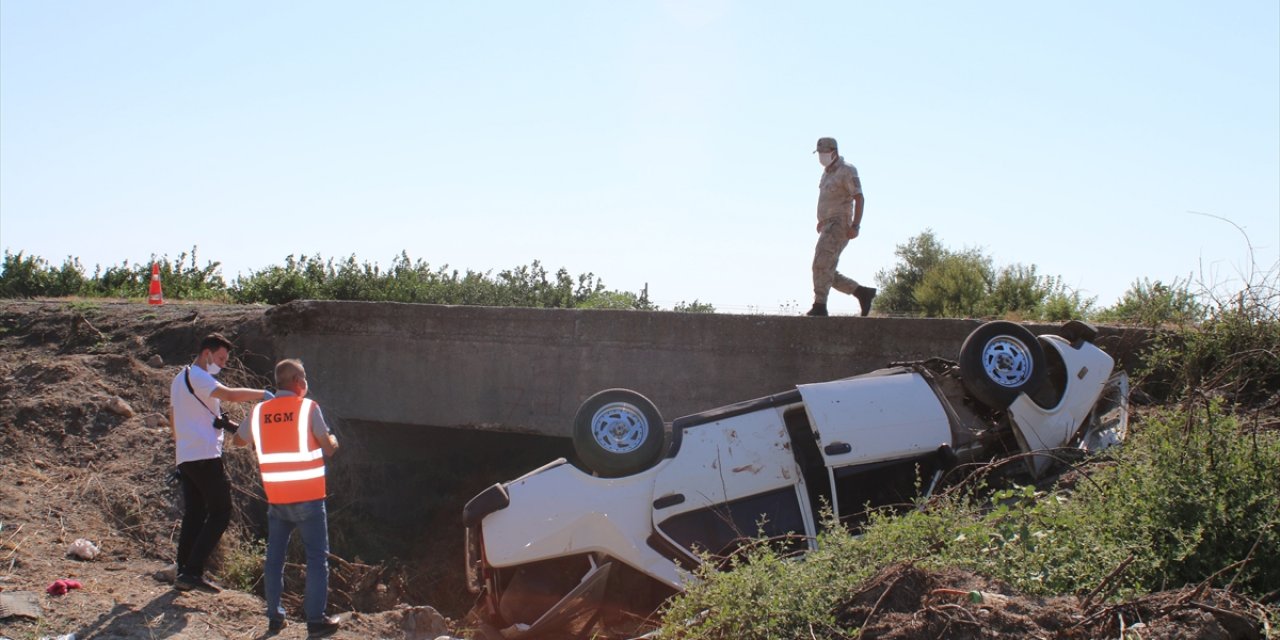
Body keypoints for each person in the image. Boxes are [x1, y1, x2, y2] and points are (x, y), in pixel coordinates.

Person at [242, 358, 342, 638]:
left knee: (274, 559)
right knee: (316, 559)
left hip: (277, 498)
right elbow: (328, 447)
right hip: (308, 498)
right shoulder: (308, 408)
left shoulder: (260, 410)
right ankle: (315, 621)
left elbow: (239, 439)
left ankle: (275, 617)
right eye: (304, 377)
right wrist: (333, 440)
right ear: (298, 382)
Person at [169, 333, 273, 593]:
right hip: (204, 455)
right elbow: (229, 395)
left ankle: (183, 571)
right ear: (206, 354)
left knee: (195, 514)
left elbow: (173, 416)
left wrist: (182, 447)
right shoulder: (200, 377)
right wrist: (263, 394)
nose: (223, 364)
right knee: (221, 512)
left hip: (186, 455)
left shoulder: (179, 378)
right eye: (220, 358)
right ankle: (192, 571)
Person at [807, 136, 877, 317]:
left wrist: (856, 225)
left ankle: (820, 306)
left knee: (820, 265)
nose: (821, 157)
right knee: (824, 268)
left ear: (833, 152)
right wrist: (822, 221)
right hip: (828, 224)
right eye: (819, 153)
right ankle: (861, 292)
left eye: (824, 153)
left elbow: (859, 198)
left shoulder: (847, 170)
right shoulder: (827, 173)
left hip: (839, 224)